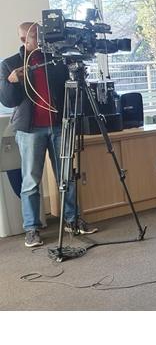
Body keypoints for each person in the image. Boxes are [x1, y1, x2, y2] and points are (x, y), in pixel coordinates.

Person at [0, 22, 97, 248]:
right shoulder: (10, 64)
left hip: (59, 126)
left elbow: (68, 90)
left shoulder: (56, 60)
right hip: (29, 130)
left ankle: (72, 221)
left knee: (66, 177)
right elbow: (8, 101)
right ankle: (31, 229)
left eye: (43, 33)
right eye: (36, 35)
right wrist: (11, 82)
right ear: (24, 39)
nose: (42, 38)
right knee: (31, 181)